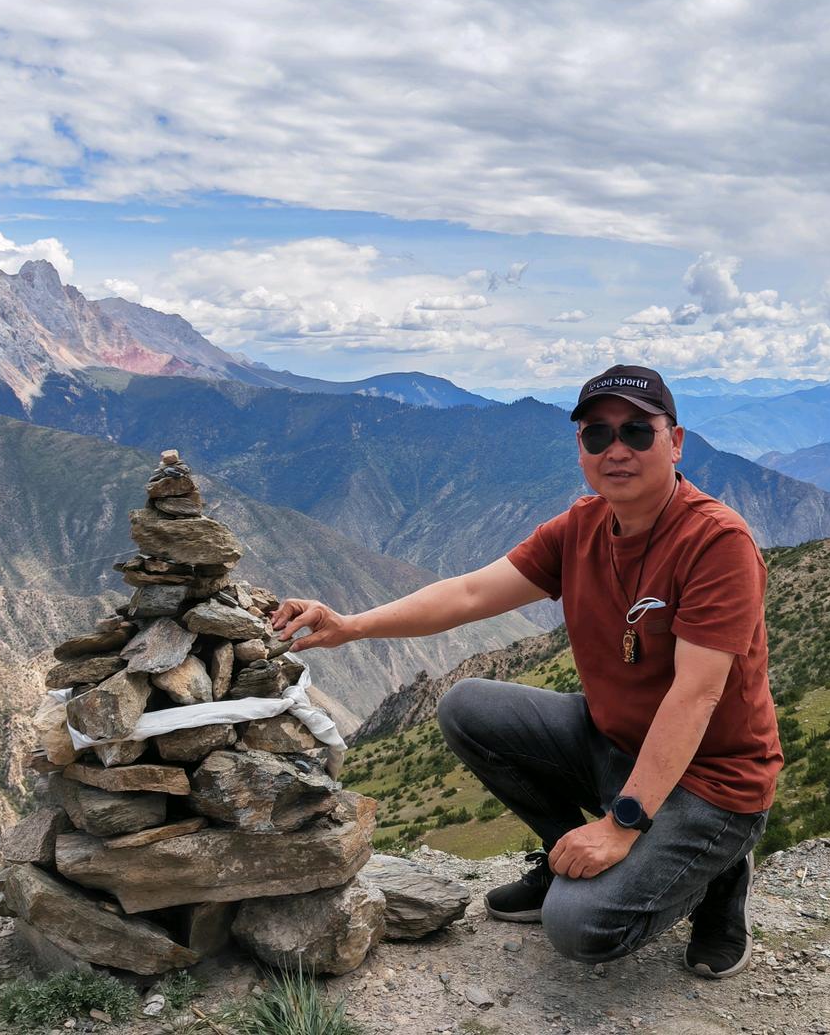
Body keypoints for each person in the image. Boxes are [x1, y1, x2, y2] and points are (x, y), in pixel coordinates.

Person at [272, 364, 782, 979]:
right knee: (466, 707)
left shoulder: (716, 542)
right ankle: (565, 852)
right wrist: (352, 624)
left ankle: (718, 878)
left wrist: (622, 826)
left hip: (711, 778)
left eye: (637, 433)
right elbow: (466, 595)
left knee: (580, 928)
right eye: (598, 436)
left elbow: (696, 695)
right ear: (581, 449)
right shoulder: (580, 527)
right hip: (617, 745)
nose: (616, 449)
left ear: (675, 442)